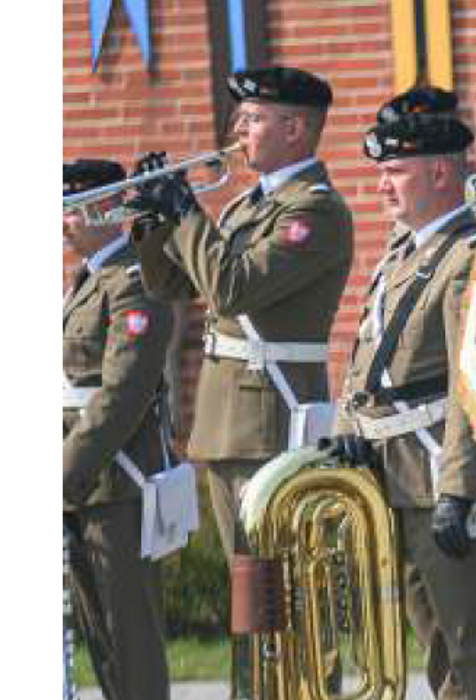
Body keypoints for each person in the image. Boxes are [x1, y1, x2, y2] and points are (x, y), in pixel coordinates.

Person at [128, 66, 355, 696]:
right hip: (228, 421)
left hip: (270, 420)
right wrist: (154, 222)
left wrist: (188, 211)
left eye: (252, 119)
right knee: (253, 597)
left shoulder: (314, 211)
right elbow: (173, 285)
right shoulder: (247, 206)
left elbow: (234, 287)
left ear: (294, 127)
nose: (237, 131)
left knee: (287, 593)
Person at [324, 87, 476, 699]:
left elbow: (474, 381)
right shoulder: (402, 254)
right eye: (381, 172)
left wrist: (459, 491)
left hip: (449, 477)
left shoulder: (468, 256)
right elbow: (366, 364)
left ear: (441, 171)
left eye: (394, 172)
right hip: (400, 477)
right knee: (439, 648)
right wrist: (348, 435)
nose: (381, 186)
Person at [62, 158, 177, 700]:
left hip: (116, 482)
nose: (63, 223)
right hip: (83, 482)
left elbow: (123, 391)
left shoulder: (135, 280)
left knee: (131, 642)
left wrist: (65, 473)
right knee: (99, 636)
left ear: (108, 207)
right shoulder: (88, 282)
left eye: (72, 209)